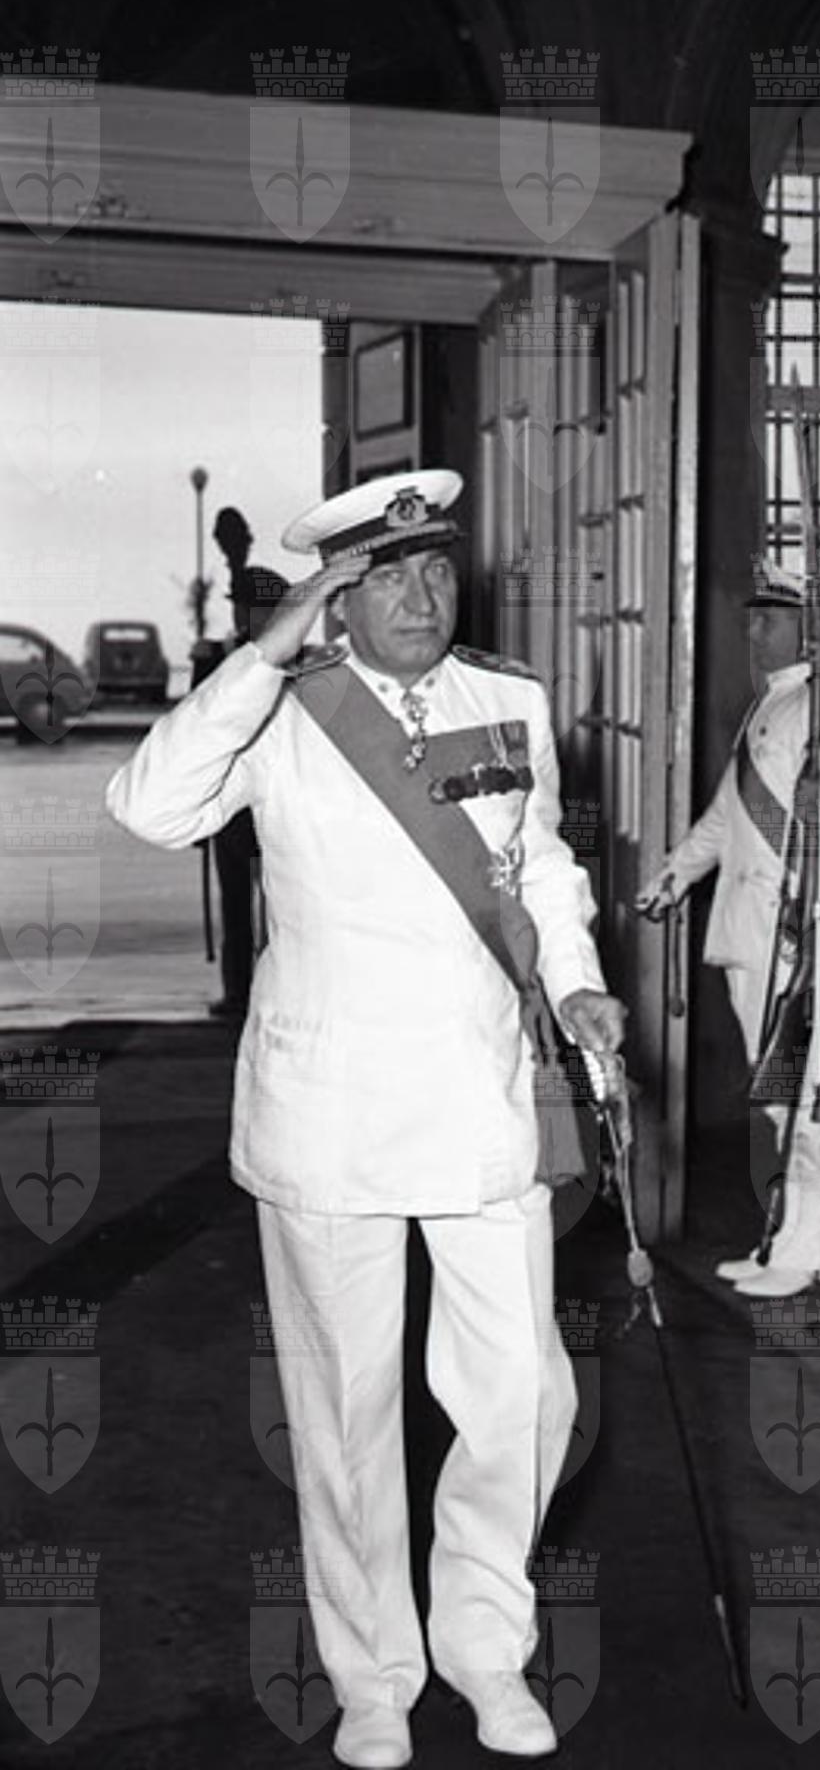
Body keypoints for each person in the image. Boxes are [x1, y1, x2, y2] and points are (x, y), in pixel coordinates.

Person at [107, 469, 625, 1770]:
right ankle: (375, 1675)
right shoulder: (280, 706)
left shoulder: (507, 701)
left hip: (481, 1093)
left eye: (436, 568)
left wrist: (577, 983)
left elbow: (539, 862)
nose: (420, 595)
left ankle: (485, 1648)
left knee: (522, 1394)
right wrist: (262, 655)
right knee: (346, 1413)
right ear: (335, 598)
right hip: (331, 1107)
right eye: (385, 577)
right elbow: (149, 807)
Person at [638, 561, 820, 1298]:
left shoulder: (819, 708)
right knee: (776, 1094)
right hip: (750, 927)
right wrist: (675, 874)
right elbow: (728, 815)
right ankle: (790, 1236)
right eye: (751, 617)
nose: (752, 630)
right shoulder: (771, 704)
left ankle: (810, 1244)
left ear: (806, 628)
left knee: (806, 1094)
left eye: (768, 618)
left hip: (792, 930)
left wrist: (819, 915)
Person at [193, 506, 289, 1019]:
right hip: (232, 805)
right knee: (237, 905)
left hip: (274, 801)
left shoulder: (287, 662)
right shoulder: (220, 658)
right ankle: (238, 993)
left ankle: (271, 992)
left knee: (280, 906)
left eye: (249, 608)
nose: (240, 616)